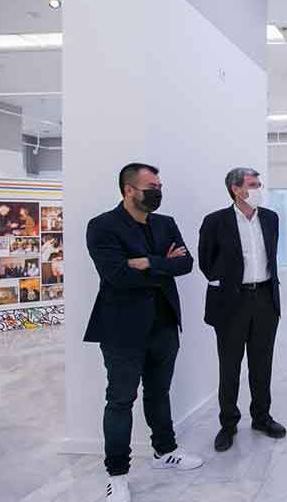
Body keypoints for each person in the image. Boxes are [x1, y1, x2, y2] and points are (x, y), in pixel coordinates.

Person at [85, 163, 203, 502]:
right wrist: (161, 264)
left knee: (159, 392)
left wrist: (148, 262)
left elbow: (185, 264)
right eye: (151, 185)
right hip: (122, 329)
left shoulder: (165, 223)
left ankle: (165, 452)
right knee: (121, 400)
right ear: (129, 190)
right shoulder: (102, 226)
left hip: (164, 323)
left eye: (160, 185)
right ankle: (117, 474)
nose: (158, 191)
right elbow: (116, 275)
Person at [198, 167, 286, 453]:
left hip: (264, 298)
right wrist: (226, 283)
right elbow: (206, 262)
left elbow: (272, 256)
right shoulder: (215, 221)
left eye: (259, 183)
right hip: (231, 302)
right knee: (230, 366)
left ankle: (261, 417)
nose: (259, 188)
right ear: (236, 189)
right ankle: (228, 423)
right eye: (253, 183)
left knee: (262, 364)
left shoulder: (271, 218)